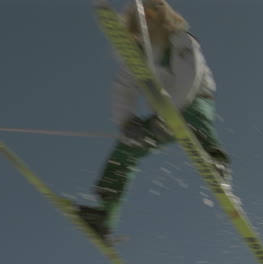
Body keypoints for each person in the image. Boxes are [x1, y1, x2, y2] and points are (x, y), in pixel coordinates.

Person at [78, 0, 231, 244]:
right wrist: (128, 123)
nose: (146, 23)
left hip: (194, 100)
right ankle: (104, 214)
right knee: (125, 151)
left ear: (161, 17)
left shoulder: (181, 41)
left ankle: (215, 161)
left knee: (196, 118)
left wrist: (168, 115)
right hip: (163, 116)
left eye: (151, 16)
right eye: (140, 20)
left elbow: (189, 78)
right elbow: (123, 89)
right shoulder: (136, 57)